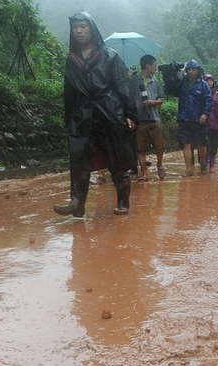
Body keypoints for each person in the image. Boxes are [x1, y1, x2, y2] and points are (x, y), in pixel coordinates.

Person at [54, 11, 138, 217]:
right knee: (79, 159)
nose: (79, 31)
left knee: (117, 159)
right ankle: (77, 203)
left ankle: (123, 201)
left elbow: (123, 86)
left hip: (109, 114)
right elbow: (69, 93)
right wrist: (69, 121)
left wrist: (130, 114)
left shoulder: (110, 56)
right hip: (82, 117)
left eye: (83, 26)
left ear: (92, 29)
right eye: (75, 27)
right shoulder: (71, 60)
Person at [169, 59, 211, 176]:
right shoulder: (182, 83)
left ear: (198, 70)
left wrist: (205, 114)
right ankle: (188, 169)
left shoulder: (204, 85)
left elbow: (208, 101)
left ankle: (203, 165)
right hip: (184, 119)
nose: (191, 71)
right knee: (186, 144)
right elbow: (172, 90)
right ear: (186, 70)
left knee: (201, 145)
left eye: (194, 69)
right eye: (189, 69)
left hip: (199, 120)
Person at [135, 54, 166, 180]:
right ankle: (144, 172)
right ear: (147, 66)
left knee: (159, 147)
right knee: (140, 148)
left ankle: (160, 165)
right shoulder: (134, 81)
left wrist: (153, 102)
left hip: (154, 118)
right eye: (154, 65)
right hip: (139, 119)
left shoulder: (156, 83)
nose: (156, 68)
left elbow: (162, 99)